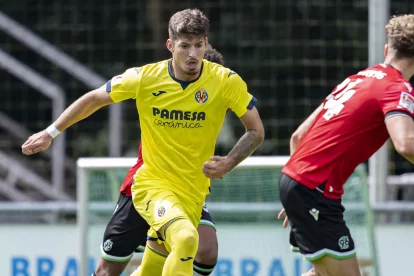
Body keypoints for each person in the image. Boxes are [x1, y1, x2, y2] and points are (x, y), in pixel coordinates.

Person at [22, 8, 264, 276]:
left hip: (192, 193)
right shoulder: (145, 78)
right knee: (184, 239)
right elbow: (93, 98)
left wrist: (229, 162)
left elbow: (256, 131)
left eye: (198, 45)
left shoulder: (225, 82)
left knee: (156, 267)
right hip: (151, 186)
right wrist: (50, 132)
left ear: (206, 43)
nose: (193, 54)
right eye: (184, 46)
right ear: (170, 45)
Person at [277, 14, 414, 276]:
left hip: (301, 182)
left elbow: (297, 136)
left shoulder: (356, 79)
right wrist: (302, 190)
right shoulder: (397, 88)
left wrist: (297, 190)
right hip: (313, 189)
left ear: (387, 50)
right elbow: (406, 144)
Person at [94, 45, 224, 276]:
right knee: (108, 270)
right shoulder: (164, 91)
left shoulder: (214, 101)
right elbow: (100, 96)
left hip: (186, 191)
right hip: (146, 188)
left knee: (206, 251)